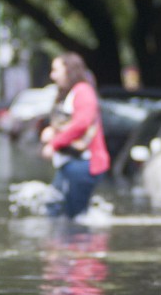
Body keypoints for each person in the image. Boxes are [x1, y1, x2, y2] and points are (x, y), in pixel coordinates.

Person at [39, 53, 110, 219]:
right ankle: (62, 243)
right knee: (55, 209)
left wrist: (54, 144)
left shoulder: (83, 91)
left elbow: (82, 123)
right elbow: (71, 122)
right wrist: (52, 131)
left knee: (71, 217)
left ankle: (76, 243)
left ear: (69, 70)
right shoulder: (72, 93)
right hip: (72, 163)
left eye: (56, 70)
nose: (52, 75)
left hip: (83, 164)